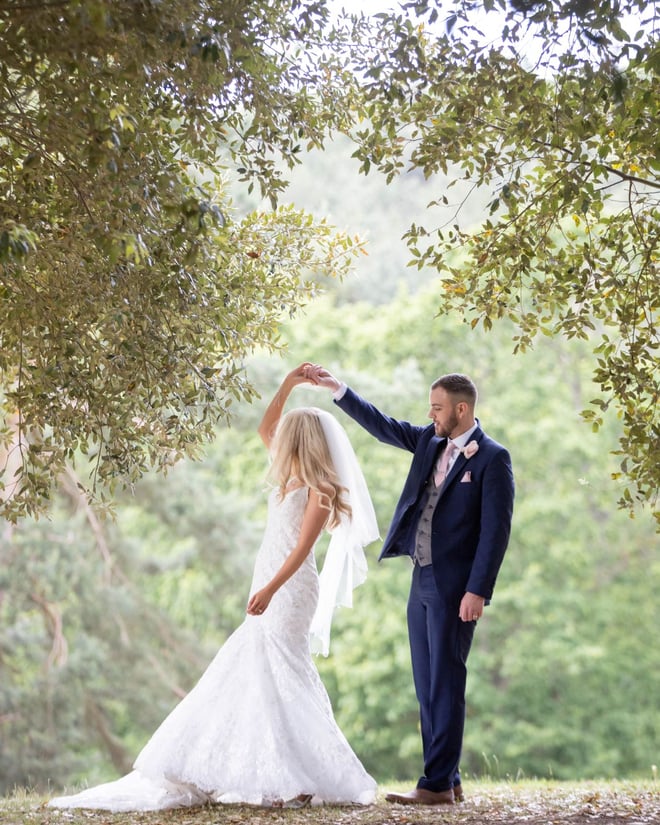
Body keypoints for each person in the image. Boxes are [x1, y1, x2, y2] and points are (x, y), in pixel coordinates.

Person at [48, 364, 379, 812]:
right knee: (260, 671)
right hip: (266, 581)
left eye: (289, 437)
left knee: (286, 671)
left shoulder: (320, 491)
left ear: (302, 442)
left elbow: (301, 552)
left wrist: (269, 590)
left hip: (291, 588)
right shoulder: (287, 478)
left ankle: (300, 776)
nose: (278, 440)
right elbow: (266, 426)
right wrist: (288, 382)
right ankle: (282, 775)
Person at [307, 364, 514, 806]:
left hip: (457, 587)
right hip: (421, 577)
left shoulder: (493, 458)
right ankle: (447, 778)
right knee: (426, 683)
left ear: (462, 409)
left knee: (446, 681)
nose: (431, 414)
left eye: (437, 408)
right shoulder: (429, 440)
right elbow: (383, 426)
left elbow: (496, 532)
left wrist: (477, 591)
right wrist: (339, 390)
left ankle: (435, 784)